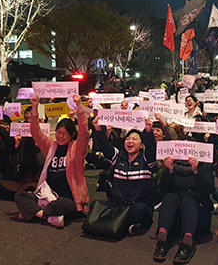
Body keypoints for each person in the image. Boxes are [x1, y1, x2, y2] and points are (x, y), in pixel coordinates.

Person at [13, 94, 89, 228]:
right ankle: (45, 215)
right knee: (19, 196)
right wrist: (35, 106)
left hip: (67, 199)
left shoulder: (76, 149)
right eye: (58, 132)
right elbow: (36, 132)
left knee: (64, 205)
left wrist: (79, 107)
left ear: (71, 135)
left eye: (64, 133)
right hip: (47, 197)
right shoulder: (51, 146)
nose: (60, 136)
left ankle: (34, 213)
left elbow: (84, 132)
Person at [91, 116, 156, 236]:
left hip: (137, 205)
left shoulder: (146, 159)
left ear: (142, 145)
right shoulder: (118, 157)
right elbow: (105, 146)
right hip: (118, 204)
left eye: (135, 139)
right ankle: (126, 225)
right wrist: (98, 130)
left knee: (141, 211)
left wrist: (148, 131)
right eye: (128, 139)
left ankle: (114, 223)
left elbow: (152, 147)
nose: (130, 141)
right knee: (95, 205)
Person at [153, 155, 214, 263]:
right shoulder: (172, 164)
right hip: (175, 218)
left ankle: (187, 243)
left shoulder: (204, 166)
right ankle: (162, 240)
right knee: (170, 196)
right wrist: (169, 171)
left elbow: (209, 189)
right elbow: (162, 189)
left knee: (188, 200)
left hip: (197, 216)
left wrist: (196, 172)